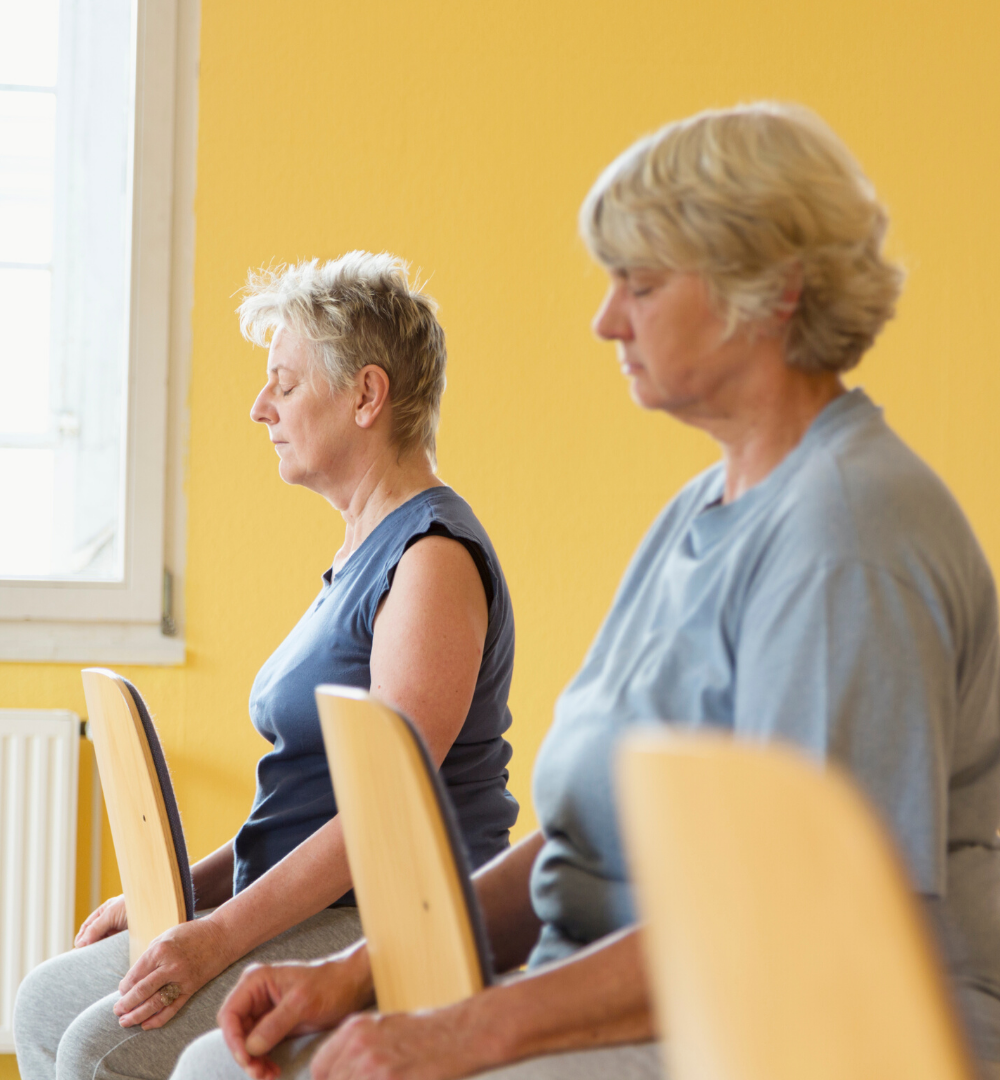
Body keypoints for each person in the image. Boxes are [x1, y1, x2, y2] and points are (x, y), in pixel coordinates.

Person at [169, 102, 1000, 1080]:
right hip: (642, 987)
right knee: (226, 1066)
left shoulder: (847, 537)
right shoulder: (704, 506)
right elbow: (576, 844)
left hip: (804, 1027)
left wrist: (466, 1028)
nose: (607, 319)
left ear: (773, 291)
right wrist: (362, 970)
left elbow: (791, 922)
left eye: (641, 285)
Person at [13, 251, 520, 1080]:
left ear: (365, 395)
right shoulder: (362, 547)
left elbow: (381, 819)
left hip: (394, 915)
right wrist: (186, 891)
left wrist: (215, 935)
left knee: (105, 1052)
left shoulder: (430, 559)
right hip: (321, 901)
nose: (259, 408)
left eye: (283, 383)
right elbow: (299, 803)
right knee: (47, 1002)